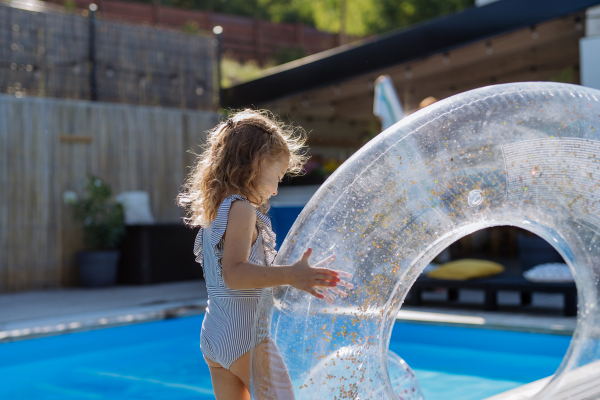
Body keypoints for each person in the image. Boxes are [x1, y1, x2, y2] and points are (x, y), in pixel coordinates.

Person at [177, 109, 353, 400]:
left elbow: (238, 280)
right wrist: (292, 274)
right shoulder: (243, 209)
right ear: (257, 163)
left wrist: (295, 278)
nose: (274, 190)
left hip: (214, 335)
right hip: (245, 336)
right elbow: (234, 274)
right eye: (277, 177)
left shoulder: (216, 214)